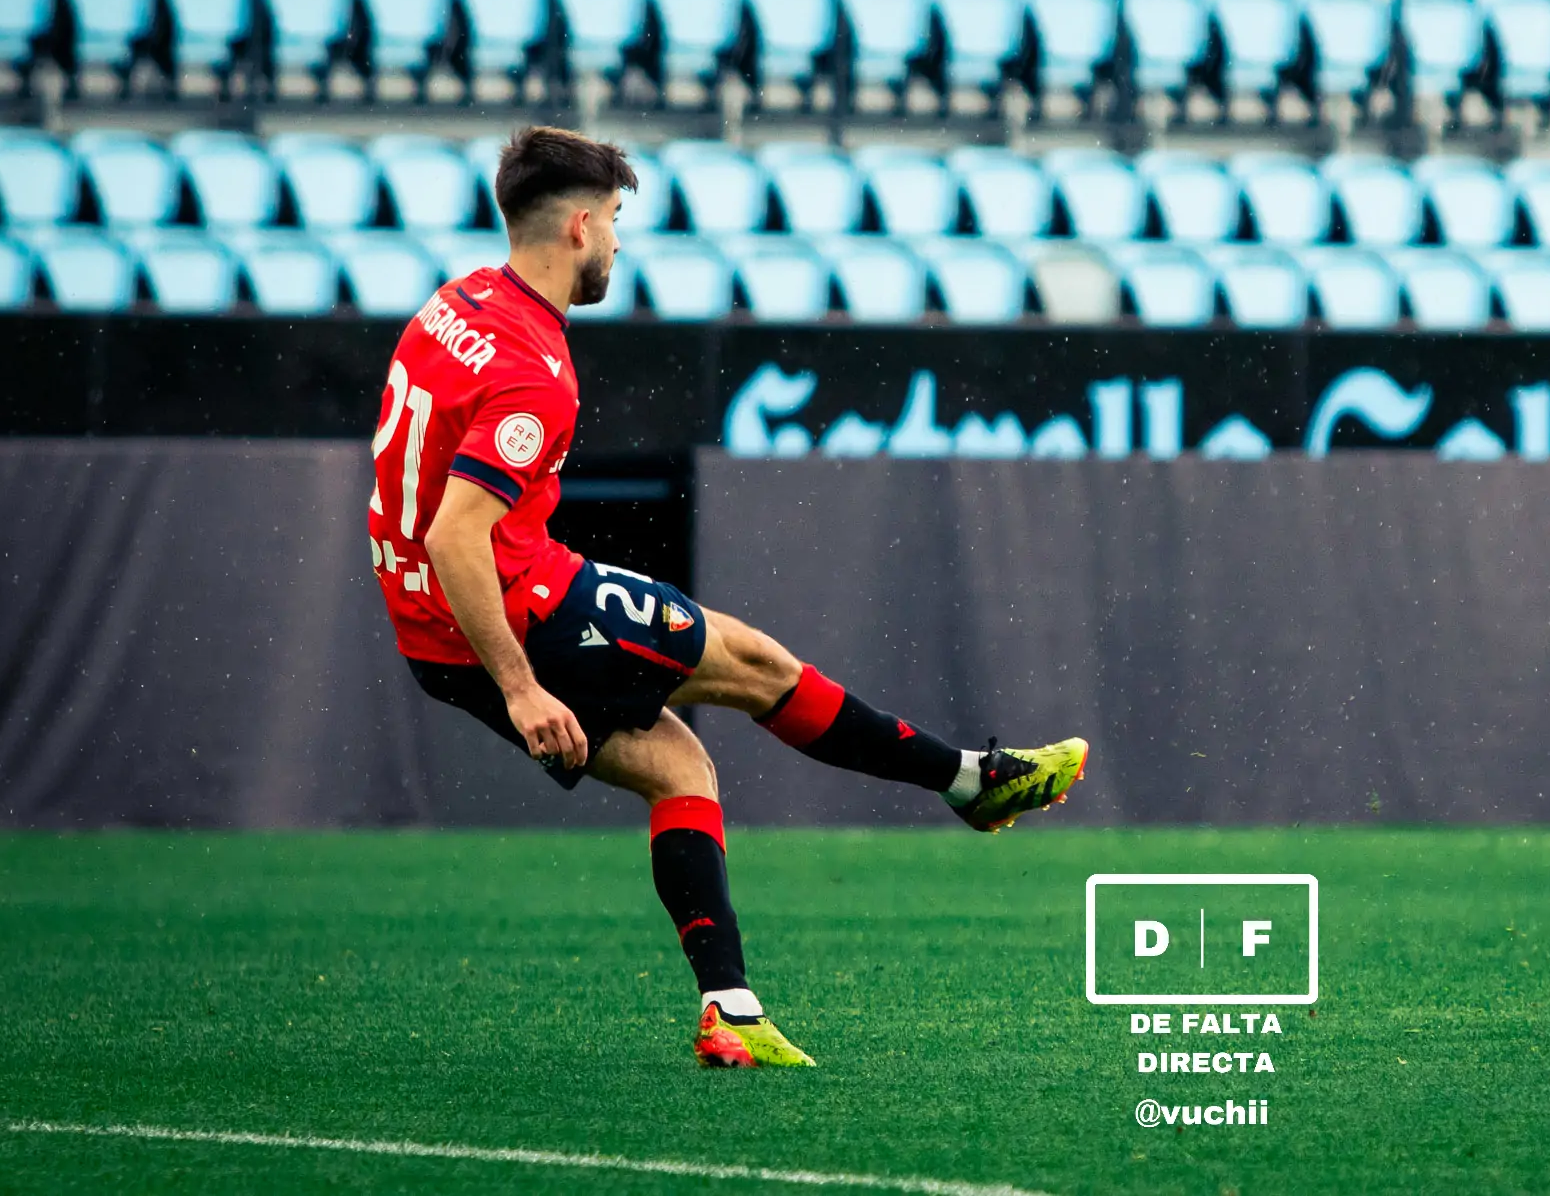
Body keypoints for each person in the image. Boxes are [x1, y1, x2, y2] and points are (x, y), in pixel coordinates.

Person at [369, 126, 1088, 1068]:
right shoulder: (535, 372)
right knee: (758, 666)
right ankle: (971, 782)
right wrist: (521, 685)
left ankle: (731, 1010)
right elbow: (456, 531)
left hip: (429, 624)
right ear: (579, 226)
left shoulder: (452, 302)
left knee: (681, 771)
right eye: (618, 222)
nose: (621, 244)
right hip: (510, 606)